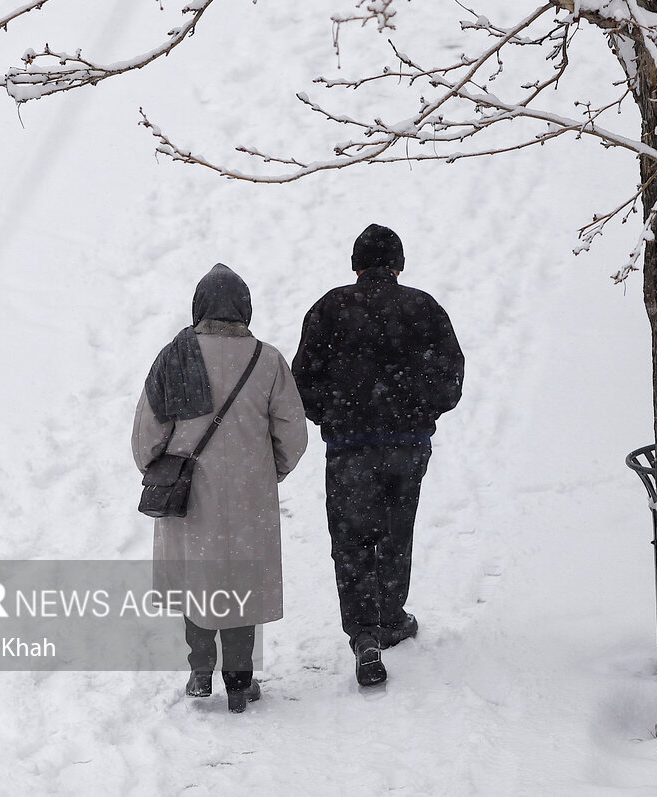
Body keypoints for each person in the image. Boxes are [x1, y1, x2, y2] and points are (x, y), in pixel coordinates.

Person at [292, 224, 464, 687]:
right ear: (399, 265)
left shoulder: (330, 308)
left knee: (350, 540)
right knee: (395, 531)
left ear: (355, 266)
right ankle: (390, 616)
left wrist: (332, 416)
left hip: (349, 446)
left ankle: (364, 633)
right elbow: (450, 380)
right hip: (407, 446)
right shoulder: (423, 308)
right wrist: (419, 412)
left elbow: (302, 382)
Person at [132, 263, 307, 713]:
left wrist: (157, 469)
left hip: (190, 492)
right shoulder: (267, 360)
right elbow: (293, 433)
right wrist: (272, 472)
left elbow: (147, 433)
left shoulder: (175, 355)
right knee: (240, 580)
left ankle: (200, 670)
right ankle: (240, 680)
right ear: (245, 307)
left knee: (200, 579)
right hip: (249, 494)